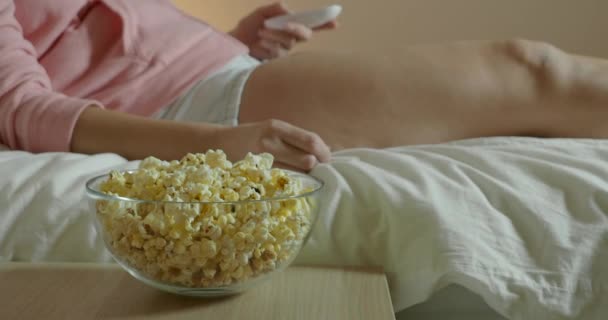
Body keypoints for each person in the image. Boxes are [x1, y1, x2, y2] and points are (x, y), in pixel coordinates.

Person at [2, 0, 608, 172]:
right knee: (533, 73)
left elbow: (106, 43)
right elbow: (22, 110)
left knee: (535, 78)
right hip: (199, 103)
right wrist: (215, 142)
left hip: (226, 72)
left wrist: (240, 38)